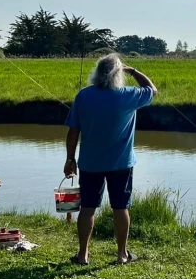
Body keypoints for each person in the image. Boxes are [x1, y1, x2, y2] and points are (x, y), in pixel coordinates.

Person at [64, 53, 157, 265]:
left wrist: (70, 159)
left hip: (89, 163)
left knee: (87, 208)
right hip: (121, 164)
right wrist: (132, 70)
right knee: (120, 207)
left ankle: (82, 255)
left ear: (96, 72)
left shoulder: (84, 95)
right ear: (118, 74)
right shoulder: (128, 95)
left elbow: (73, 132)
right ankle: (122, 254)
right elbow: (152, 89)